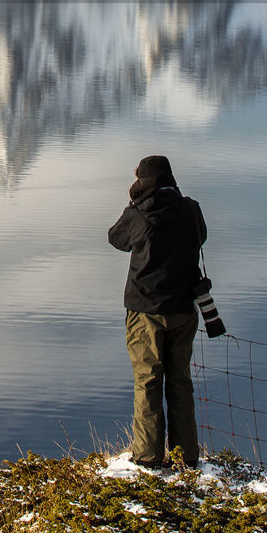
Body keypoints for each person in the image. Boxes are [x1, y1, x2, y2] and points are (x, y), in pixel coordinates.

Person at [108, 154, 206, 468]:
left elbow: (116, 238)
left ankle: (148, 458)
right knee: (180, 381)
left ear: (143, 182)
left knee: (148, 382)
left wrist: (134, 204)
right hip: (183, 309)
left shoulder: (138, 215)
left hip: (145, 311)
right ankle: (186, 456)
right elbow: (200, 236)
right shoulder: (191, 209)